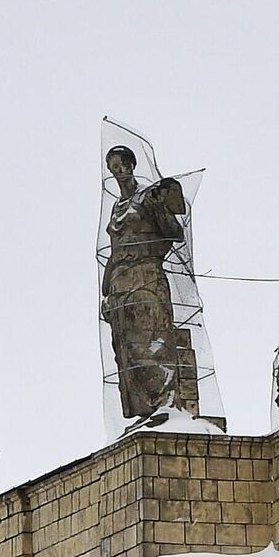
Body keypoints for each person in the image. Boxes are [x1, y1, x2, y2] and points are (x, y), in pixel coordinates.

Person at [101, 144, 196, 422]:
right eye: (113, 169)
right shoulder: (116, 207)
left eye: (121, 166)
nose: (118, 173)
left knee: (151, 342)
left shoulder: (147, 196)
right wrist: (105, 291)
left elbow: (175, 232)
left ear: (131, 166)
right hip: (121, 282)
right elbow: (114, 250)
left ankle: (164, 402)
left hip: (146, 276)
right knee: (127, 349)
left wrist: (158, 206)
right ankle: (144, 408)